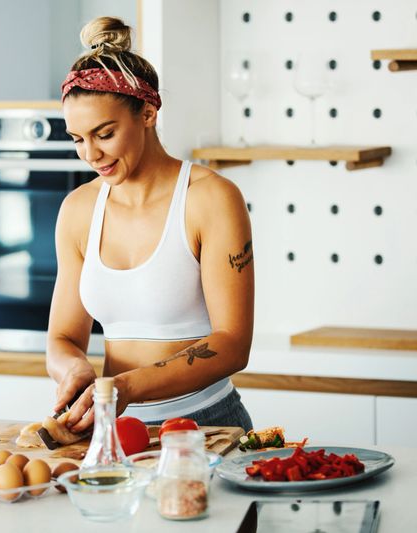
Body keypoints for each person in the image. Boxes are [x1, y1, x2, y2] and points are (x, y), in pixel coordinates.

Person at [46, 16, 254, 434]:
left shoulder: (210, 198)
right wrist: (74, 371)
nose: (90, 154)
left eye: (104, 133)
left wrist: (128, 387)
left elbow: (233, 343)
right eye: (77, 138)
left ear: (148, 112)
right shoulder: (78, 210)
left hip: (205, 424)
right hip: (113, 427)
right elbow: (63, 337)